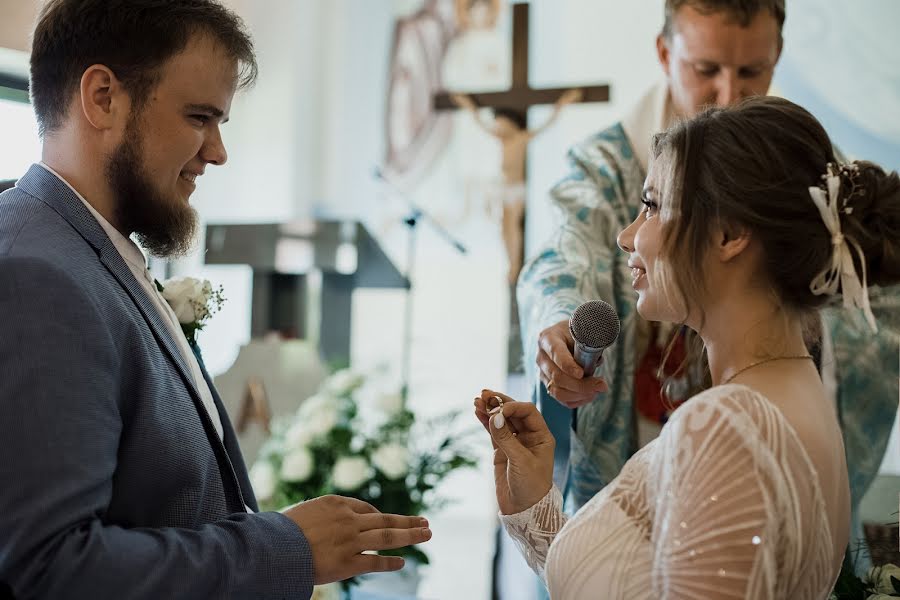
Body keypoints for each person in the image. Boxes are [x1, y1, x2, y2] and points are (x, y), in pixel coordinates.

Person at [0, 1, 430, 598]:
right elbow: (52, 568)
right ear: (102, 97)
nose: (217, 150)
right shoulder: (37, 274)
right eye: (199, 116)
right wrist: (287, 547)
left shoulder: (89, 251)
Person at [516, 0, 899, 559]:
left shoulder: (806, 173)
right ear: (666, 52)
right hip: (641, 447)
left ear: (778, 56)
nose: (729, 95)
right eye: (706, 69)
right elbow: (564, 253)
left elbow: (876, 298)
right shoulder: (606, 165)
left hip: (762, 439)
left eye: (751, 72)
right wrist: (564, 320)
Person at [452, 89, 582, 285]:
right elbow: (479, 121)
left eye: (501, 124)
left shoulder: (521, 138)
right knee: (503, 227)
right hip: (502, 188)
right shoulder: (500, 139)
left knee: (512, 225)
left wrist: (565, 101)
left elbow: (548, 123)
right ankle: (510, 263)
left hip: (515, 189)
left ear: (510, 123)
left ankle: (514, 265)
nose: (498, 129)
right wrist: (466, 103)